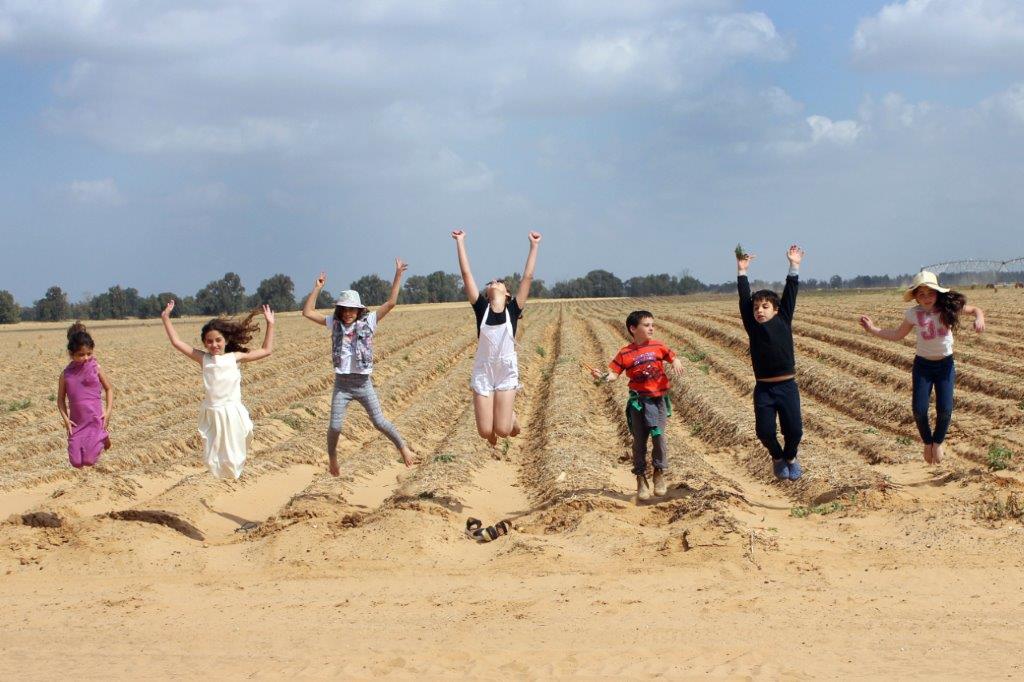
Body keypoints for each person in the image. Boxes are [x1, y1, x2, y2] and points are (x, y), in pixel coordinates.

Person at [302, 261, 418, 474]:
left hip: (363, 383)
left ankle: (403, 448)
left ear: (358, 310)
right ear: (340, 310)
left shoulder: (369, 321)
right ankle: (333, 458)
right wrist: (317, 288)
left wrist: (398, 275)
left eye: (352, 310)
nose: (348, 313)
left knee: (379, 422)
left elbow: (391, 303)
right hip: (342, 385)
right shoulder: (333, 323)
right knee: (335, 426)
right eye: (344, 309)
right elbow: (308, 312)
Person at [859, 270, 985, 464]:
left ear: (938, 292)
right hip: (923, 367)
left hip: (945, 366)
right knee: (919, 409)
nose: (926, 298)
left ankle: (938, 442)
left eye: (930, 293)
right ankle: (927, 442)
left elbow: (976, 310)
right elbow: (896, 334)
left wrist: (979, 318)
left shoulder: (947, 307)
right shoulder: (913, 314)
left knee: (945, 409)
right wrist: (872, 329)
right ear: (916, 297)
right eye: (921, 294)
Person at [160, 301, 274, 478]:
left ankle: (234, 474)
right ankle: (221, 475)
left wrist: (270, 323)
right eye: (209, 341)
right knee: (212, 454)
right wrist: (165, 317)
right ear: (205, 343)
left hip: (232, 411)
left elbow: (266, 350)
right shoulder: (203, 358)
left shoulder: (235, 357)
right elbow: (176, 342)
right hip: (213, 412)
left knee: (238, 445)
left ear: (226, 340)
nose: (214, 345)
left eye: (218, 340)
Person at [451, 229, 541, 445]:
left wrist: (534, 246)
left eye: (498, 282)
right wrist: (460, 242)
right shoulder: (481, 308)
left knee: (502, 430)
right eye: (490, 283)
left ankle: (511, 418)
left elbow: (527, 277)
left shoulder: (513, 309)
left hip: (505, 369)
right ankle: (500, 414)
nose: (493, 282)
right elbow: (466, 275)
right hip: (484, 369)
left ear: (507, 294)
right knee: (484, 432)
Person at [591, 311, 683, 501]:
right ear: (633, 329)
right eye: (646, 325)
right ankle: (641, 477)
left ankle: (659, 472)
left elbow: (672, 356)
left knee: (659, 437)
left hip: (658, 401)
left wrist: (675, 361)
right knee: (639, 442)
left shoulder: (658, 346)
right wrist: (602, 377)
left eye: (652, 324)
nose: (651, 328)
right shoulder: (625, 353)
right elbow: (614, 375)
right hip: (638, 404)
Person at [737, 245, 806, 480]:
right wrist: (742, 271)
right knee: (764, 432)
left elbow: (791, 292)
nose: (759, 311)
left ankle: (791, 457)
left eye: (765, 307)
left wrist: (794, 265)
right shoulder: (752, 327)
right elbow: (744, 299)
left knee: (794, 431)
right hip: (764, 388)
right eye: (756, 307)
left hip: (787, 386)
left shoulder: (784, 319)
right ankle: (777, 457)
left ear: (776, 310)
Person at [57, 322, 113, 468]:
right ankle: (103, 437)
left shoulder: (96, 368)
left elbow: (109, 389)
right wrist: (66, 420)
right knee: (76, 462)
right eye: (81, 355)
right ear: (72, 354)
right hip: (77, 423)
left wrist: (107, 412)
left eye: (89, 353)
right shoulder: (65, 375)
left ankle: (102, 435)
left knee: (89, 460)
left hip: (94, 419)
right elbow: (60, 400)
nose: (86, 358)